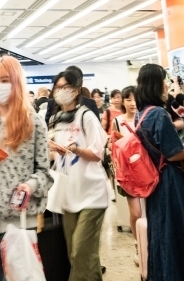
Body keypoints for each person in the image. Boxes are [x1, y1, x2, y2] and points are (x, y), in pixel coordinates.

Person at [0, 56, 52, 281]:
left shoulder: (33, 123)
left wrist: (29, 185)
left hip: (21, 222)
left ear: (16, 83)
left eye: (5, 80)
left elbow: (45, 173)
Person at [130, 64, 184, 281]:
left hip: (154, 180)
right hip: (170, 181)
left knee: (162, 233)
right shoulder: (158, 114)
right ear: (156, 83)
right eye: (164, 80)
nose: (167, 84)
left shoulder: (141, 114)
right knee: (178, 231)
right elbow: (174, 153)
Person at [48, 69, 108, 281]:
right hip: (68, 193)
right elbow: (54, 157)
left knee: (80, 253)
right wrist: (50, 150)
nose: (62, 91)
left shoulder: (86, 116)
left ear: (76, 90)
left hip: (92, 194)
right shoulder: (55, 119)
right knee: (78, 256)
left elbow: (98, 153)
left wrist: (77, 150)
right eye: (58, 87)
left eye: (67, 87)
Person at [111, 85, 142, 238]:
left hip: (146, 169)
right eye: (128, 99)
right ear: (123, 102)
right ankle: (138, 244)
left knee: (149, 213)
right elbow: (113, 145)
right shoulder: (117, 121)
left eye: (135, 99)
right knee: (136, 213)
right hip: (128, 171)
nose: (132, 103)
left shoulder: (144, 118)